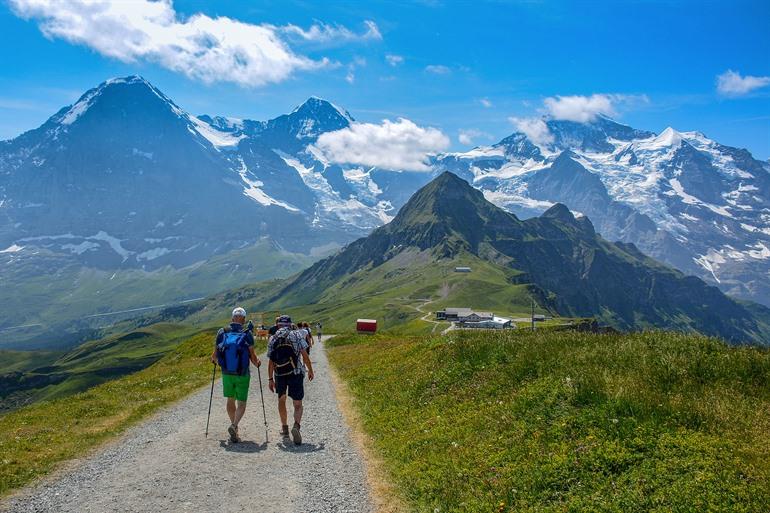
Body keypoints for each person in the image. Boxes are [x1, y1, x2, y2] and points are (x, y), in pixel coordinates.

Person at [211, 307, 261, 443]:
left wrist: (215, 360)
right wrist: (257, 362)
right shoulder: (247, 333)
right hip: (242, 373)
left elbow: (214, 355)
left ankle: (234, 427)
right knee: (242, 403)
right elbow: (252, 356)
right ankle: (234, 425)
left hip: (227, 372)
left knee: (230, 400)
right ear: (244, 319)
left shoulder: (222, 332)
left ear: (232, 318)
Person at [267, 315, 315, 445]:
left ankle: (285, 428)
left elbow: (271, 361)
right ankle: (296, 426)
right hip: (296, 372)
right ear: (290, 324)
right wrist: (310, 370)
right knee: (297, 403)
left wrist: (271, 378)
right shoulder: (296, 335)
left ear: (278, 325)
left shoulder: (273, 338)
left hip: (279, 373)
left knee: (281, 400)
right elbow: (304, 355)